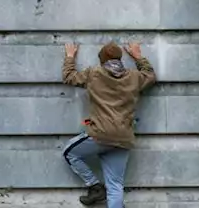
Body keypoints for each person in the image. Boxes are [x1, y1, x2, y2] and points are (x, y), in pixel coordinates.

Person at [62, 41, 156, 207]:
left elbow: (69, 77)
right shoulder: (134, 76)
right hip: (123, 138)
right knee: (115, 185)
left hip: (100, 134)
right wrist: (138, 57)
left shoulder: (93, 73)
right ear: (120, 58)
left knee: (69, 152)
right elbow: (150, 76)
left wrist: (70, 57)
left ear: (101, 60)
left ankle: (95, 186)